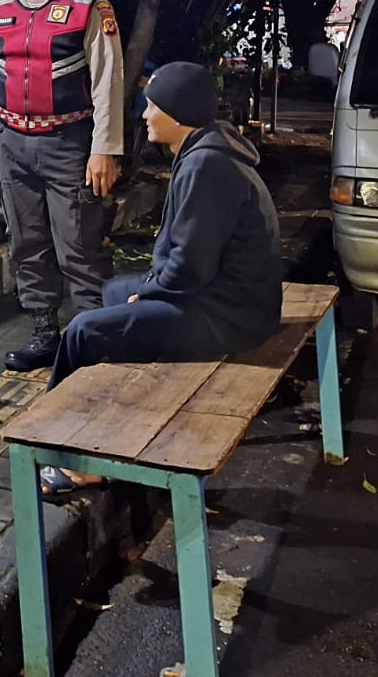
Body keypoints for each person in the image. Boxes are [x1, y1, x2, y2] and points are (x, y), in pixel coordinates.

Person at [38, 61, 283, 495]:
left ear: (177, 112)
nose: (145, 114)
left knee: (82, 332)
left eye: (152, 106)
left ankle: (68, 455)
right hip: (225, 300)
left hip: (227, 318)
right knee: (116, 292)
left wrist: (151, 293)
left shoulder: (208, 167)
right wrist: (149, 291)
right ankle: (114, 414)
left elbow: (190, 266)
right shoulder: (207, 151)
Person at [0, 0, 124, 371]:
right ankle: (44, 334)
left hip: (68, 142)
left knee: (79, 242)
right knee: (26, 242)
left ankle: (94, 337)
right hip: (12, 142)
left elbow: (108, 80)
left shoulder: (86, 6)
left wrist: (105, 148)